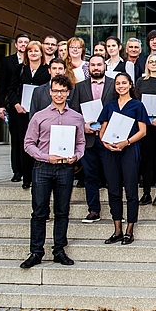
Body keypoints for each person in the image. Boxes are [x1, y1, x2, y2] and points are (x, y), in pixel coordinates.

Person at [20, 75, 85, 269]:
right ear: (50, 91)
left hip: (65, 167)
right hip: (42, 167)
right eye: (56, 90)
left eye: (63, 91)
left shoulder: (76, 117)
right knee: (39, 211)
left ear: (68, 93)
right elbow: (28, 144)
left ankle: (59, 250)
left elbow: (81, 143)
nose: (59, 94)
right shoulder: (39, 116)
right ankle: (36, 252)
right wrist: (45, 156)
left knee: (62, 211)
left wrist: (77, 155)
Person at [98, 73, 150, 245]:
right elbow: (102, 130)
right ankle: (117, 229)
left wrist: (126, 142)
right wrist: (106, 143)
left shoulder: (137, 105)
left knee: (130, 190)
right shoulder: (109, 105)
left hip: (129, 150)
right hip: (111, 151)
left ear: (130, 85)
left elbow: (143, 131)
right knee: (113, 190)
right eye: (118, 83)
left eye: (124, 83)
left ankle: (129, 229)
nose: (120, 86)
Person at [69, 55, 115, 223]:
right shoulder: (80, 87)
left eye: (99, 65)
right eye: (93, 65)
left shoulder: (113, 84)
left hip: (108, 137)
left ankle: (115, 210)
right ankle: (93, 210)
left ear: (105, 66)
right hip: (88, 139)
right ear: (88, 68)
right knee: (90, 176)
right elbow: (73, 111)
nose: (96, 68)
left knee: (112, 176)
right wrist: (83, 125)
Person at [7, 41, 51, 189]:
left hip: (40, 112)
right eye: (30, 51)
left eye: (36, 51)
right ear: (27, 54)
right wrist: (16, 104)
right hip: (21, 113)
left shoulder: (47, 70)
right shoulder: (20, 69)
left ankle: (38, 175)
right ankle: (26, 177)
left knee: (40, 142)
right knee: (23, 143)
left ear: (41, 53)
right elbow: (11, 89)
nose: (33, 53)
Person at [136, 54, 156, 207]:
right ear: (147, 65)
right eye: (151, 62)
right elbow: (137, 103)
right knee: (146, 161)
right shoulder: (141, 82)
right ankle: (147, 193)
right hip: (144, 127)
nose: (154, 64)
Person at [0, 32, 29, 182]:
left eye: (26, 42)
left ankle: (28, 169)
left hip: (30, 105)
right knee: (16, 139)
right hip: (14, 105)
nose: (23, 45)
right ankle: (17, 171)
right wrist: (1, 106)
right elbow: (2, 86)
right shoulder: (7, 61)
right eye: (21, 42)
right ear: (16, 45)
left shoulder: (34, 61)